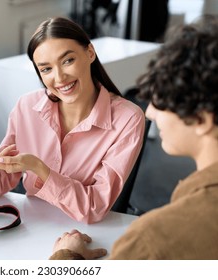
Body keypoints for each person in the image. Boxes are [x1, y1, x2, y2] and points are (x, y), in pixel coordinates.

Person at [0, 17, 145, 224]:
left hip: (87, 231)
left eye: (68, 60)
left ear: (90, 52)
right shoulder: (26, 106)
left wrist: (40, 169)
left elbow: (95, 206)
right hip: (34, 226)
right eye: (46, 69)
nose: (59, 78)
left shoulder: (128, 118)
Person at [50, 14, 218, 259]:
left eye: (160, 101)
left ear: (202, 119)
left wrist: (65, 258)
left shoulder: (154, 241)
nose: (149, 111)